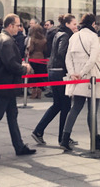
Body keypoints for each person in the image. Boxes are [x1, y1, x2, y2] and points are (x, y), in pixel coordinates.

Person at [0, 14, 37, 159]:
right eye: (17, 25)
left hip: (6, 84)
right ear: (10, 26)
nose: (19, 28)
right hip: (5, 84)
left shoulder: (4, 38)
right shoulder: (7, 41)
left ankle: (19, 146)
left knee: (11, 115)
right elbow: (11, 64)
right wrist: (25, 68)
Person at [61, 13, 100, 152]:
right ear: (93, 23)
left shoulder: (74, 36)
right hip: (91, 76)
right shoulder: (94, 37)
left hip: (77, 77)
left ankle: (65, 138)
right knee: (92, 110)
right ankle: (96, 140)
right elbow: (93, 58)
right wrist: (82, 74)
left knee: (75, 108)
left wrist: (73, 74)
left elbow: (68, 57)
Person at [32, 14, 77, 146]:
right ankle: (63, 137)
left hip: (53, 70)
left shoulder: (58, 33)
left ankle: (39, 130)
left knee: (58, 104)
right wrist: (71, 65)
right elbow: (62, 52)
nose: (76, 26)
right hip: (60, 72)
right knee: (66, 105)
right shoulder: (65, 35)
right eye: (74, 24)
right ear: (67, 24)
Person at [27, 24, 48, 99]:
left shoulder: (33, 39)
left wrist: (28, 50)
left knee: (33, 76)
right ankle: (39, 92)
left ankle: (33, 92)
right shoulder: (44, 39)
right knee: (40, 75)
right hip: (41, 58)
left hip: (33, 58)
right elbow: (45, 50)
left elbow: (31, 49)